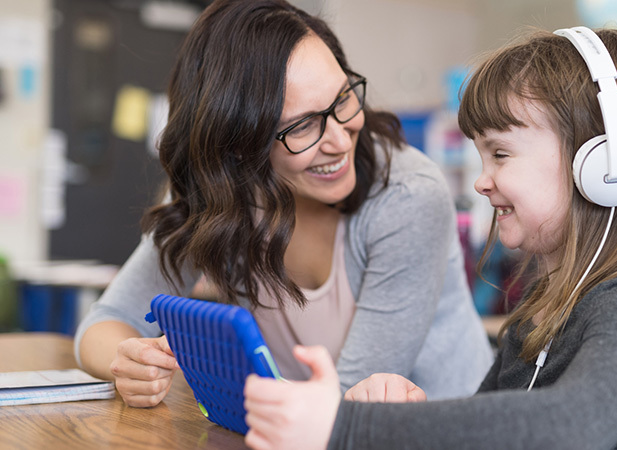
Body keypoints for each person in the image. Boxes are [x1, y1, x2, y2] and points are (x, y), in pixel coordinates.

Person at [241, 26, 617, 449]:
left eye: (501, 154)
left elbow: (571, 426)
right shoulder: (542, 311)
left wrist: (348, 428)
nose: (482, 180)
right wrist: (401, 414)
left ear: (602, 166)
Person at [74, 0, 492, 408]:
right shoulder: (216, 196)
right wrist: (128, 360)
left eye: (343, 97)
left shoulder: (406, 195)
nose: (340, 139)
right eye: (303, 125)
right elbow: (103, 322)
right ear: (238, 145)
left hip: (437, 431)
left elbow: (353, 404)